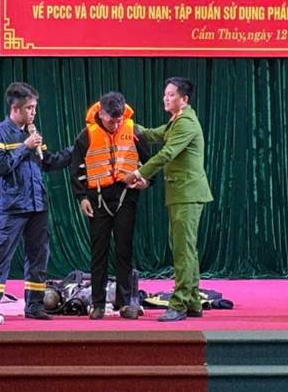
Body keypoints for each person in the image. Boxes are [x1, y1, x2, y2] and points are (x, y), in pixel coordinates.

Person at [0, 82, 72, 323]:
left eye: (35, 107)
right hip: (12, 206)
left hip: (38, 205)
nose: (33, 112)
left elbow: (47, 162)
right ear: (15, 108)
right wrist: (24, 148)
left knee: (38, 257)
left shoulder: (33, 133)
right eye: (29, 108)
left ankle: (35, 306)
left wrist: (74, 151)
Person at [124, 77, 213, 322]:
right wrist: (127, 124)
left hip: (187, 194)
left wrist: (138, 173)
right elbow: (152, 135)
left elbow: (166, 154)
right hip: (180, 194)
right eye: (165, 94)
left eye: (171, 94)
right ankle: (192, 301)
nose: (166, 98)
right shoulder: (176, 121)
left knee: (183, 252)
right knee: (185, 250)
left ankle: (179, 304)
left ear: (184, 99)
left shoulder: (186, 123)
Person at [70, 92, 151, 320]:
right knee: (99, 252)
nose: (115, 125)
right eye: (111, 121)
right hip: (97, 200)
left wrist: (146, 181)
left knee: (125, 250)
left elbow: (150, 162)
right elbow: (76, 170)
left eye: (118, 120)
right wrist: (82, 198)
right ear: (101, 113)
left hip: (127, 196)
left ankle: (125, 303)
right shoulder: (85, 136)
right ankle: (97, 303)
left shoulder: (134, 131)